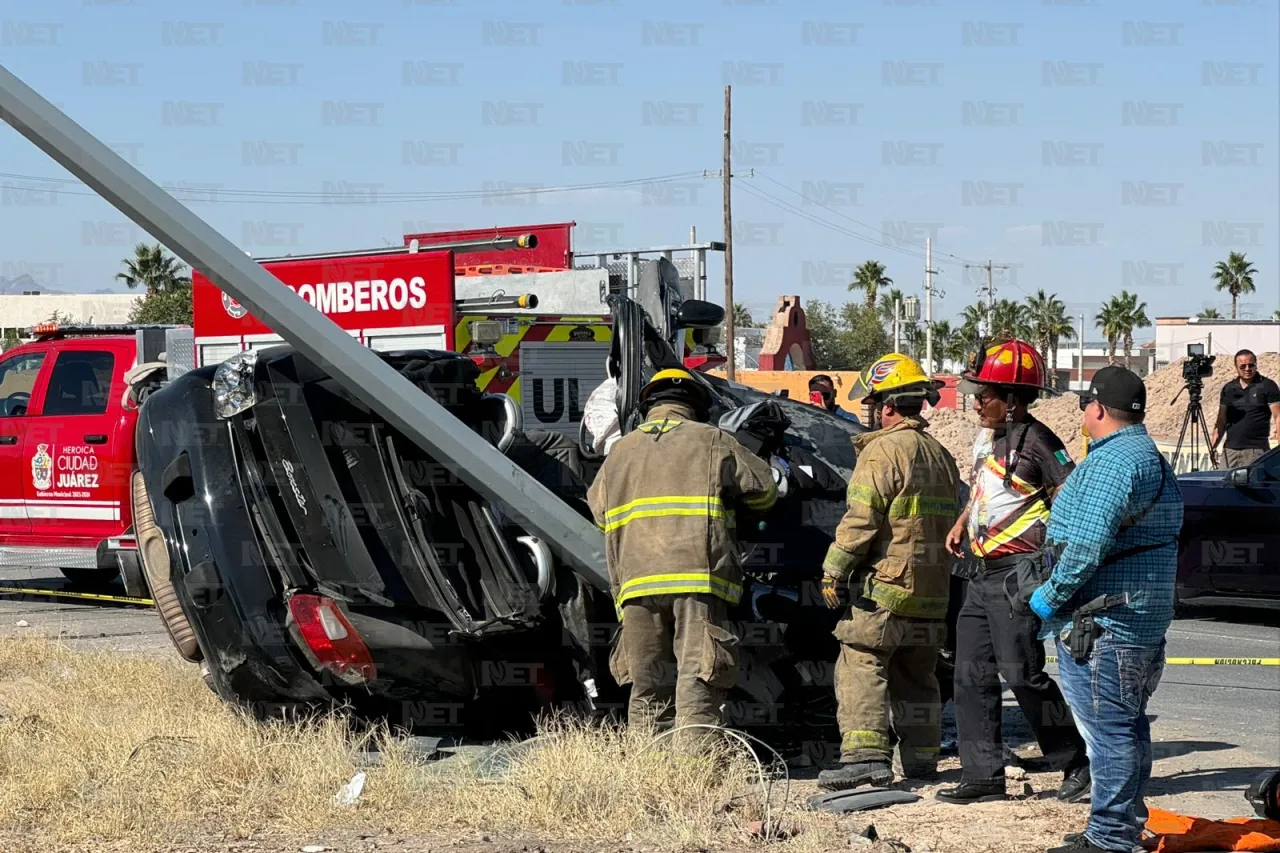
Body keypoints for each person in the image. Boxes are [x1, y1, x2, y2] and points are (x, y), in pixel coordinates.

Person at [1029, 365, 1184, 853]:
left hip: (1104, 622)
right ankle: (1120, 825)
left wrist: (1048, 597)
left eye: (1084, 406)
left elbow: (1085, 547)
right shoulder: (1147, 456)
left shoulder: (1114, 462)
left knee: (1109, 734)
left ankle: (1110, 838)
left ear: (1096, 408)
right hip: (1136, 617)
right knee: (1128, 726)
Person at [586, 368, 779, 749]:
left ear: (648, 407)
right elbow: (764, 491)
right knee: (698, 676)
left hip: (637, 586)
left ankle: (651, 773)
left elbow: (599, 512)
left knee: (647, 684)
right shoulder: (712, 440)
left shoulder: (619, 452)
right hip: (699, 580)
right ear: (695, 406)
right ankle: (694, 772)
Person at [936, 339, 1091, 805]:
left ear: (1015, 400)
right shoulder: (989, 437)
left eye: (985, 394)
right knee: (970, 674)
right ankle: (982, 776)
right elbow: (985, 488)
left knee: (1020, 673)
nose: (976, 401)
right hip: (979, 573)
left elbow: (1070, 501)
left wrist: (1052, 563)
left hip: (1016, 576)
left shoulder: (1042, 442)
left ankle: (1077, 762)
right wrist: (964, 522)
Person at [815, 354, 961, 791]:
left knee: (862, 660)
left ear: (889, 407)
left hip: (887, 586)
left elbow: (862, 519)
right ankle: (921, 763)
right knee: (918, 675)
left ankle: (865, 759)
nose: (872, 412)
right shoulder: (941, 454)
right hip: (932, 589)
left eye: (874, 403)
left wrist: (833, 571)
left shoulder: (882, 450)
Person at [1211, 349, 1280, 469]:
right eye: (1243, 366)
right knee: (1224, 486)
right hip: (1230, 451)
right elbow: (1221, 420)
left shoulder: (1268, 386)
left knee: (1254, 487)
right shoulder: (1229, 388)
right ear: (1236, 367)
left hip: (1256, 450)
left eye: (1251, 365)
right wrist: (1213, 446)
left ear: (1256, 365)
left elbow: (1278, 417)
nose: (1247, 369)